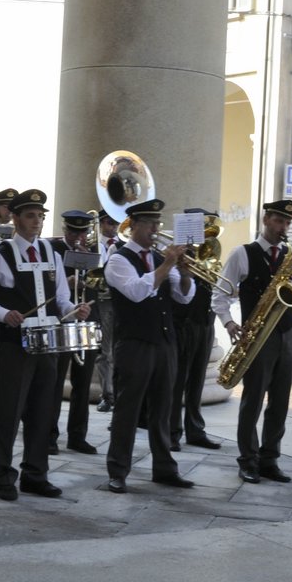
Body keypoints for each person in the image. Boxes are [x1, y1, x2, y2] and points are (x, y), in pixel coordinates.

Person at [0, 190, 91, 499]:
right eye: (30, 215)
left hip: (48, 344)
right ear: (15, 218)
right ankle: (5, 476)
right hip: (15, 345)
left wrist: (72, 311)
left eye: (40, 216)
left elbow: (61, 298)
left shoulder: (52, 254)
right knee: (10, 411)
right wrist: (2, 313)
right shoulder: (1, 254)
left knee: (43, 411)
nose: (36, 221)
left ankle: (36, 474)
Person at [103, 197, 198, 493]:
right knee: (127, 409)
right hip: (134, 344)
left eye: (158, 223)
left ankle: (165, 468)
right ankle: (118, 470)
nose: (157, 229)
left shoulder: (158, 259)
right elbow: (137, 292)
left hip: (164, 342)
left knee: (164, 408)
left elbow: (184, 297)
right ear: (134, 226)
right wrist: (169, 262)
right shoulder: (118, 259)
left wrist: (184, 272)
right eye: (151, 224)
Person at [215, 200, 292, 482]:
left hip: (288, 332)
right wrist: (230, 323)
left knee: (280, 401)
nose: (283, 227)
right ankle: (248, 459)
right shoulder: (241, 254)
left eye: (287, 223)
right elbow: (221, 294)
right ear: (266, 219)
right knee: (253, 399)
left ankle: (270, 459)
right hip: (257, 335)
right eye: (279, 221)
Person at [169, 208, 225, 452]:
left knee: (197, 380)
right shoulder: (176, 251)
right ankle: (171, 432)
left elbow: (215, 282)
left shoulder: (209, 251)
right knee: (177, 380)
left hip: (205, 321)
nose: (204, 232)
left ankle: (195, 430)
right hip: (183, 322)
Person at [49, 208, 101, 455]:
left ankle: (78, 435)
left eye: (82, 231)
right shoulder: (54, 251)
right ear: (64, 230)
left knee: (83, 379)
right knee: (55, 380)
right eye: (73, 231)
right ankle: (49, 434)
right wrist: (66, 282)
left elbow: (103, 283)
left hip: (86, 320)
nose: (78, 236)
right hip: (62, 320)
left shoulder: (95, 252)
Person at [94, 209, 121, 412]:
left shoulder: (123, 245)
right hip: (99, 301)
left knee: (117, 351)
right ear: (102, 223)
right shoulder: (92, 243)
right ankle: (107, 394)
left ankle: (117, 393)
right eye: (110, 223)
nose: (114, 227)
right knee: (105, 351)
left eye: (116, 223)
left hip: (118, 300)